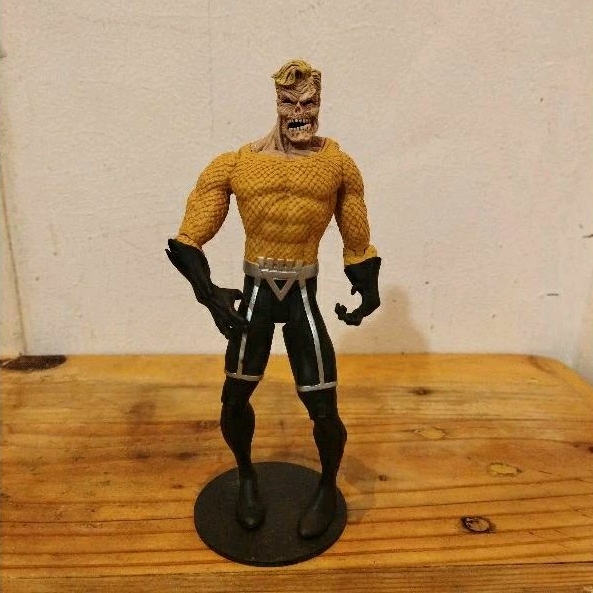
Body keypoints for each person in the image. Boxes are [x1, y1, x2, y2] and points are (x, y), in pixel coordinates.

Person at [167, 59, 380, 539]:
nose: (299, 112)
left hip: (302, 290)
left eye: (309, 102)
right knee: (234, 395)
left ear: (319, 104)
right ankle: (246, 476)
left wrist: (367, 288)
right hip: (257, 291)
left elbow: (357, 238)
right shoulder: (237, 164)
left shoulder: (338, 166)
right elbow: (188, 237)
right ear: (277, 104)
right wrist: (208, 294)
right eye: (289, 102)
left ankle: (326, 486)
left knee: (323, 405)